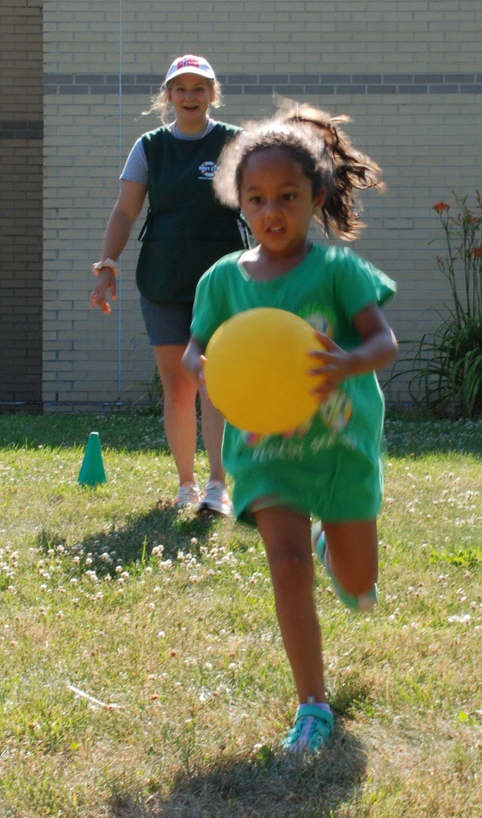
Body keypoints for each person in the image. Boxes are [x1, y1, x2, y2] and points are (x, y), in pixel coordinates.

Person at [183, 102, 397, 755]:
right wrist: (211, 370)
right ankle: (312, 706)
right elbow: (196, 352)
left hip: (339, 446)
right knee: (286, 561)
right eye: (256, 198)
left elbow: (382, 341)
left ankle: (345, 557)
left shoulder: (338, 272)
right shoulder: (223, 280)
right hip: (266, 451)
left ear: (316, 196)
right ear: (238, 203)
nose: (271, 211)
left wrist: (349, 362)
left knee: (360, 588)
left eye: (287, 196)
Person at [91, 54, 245, 514]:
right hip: (163, 277)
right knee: (178, 384)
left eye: (199, 88)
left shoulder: (235, 143)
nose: (190, 97)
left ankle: (218, 485)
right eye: (181, 89)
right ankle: (186, 484)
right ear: (169, 96)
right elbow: (125, 211)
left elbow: (262, 201)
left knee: (214, 380)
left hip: (222, 280)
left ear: (212, 95)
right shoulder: (150, 146)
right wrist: (106, 266)